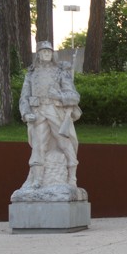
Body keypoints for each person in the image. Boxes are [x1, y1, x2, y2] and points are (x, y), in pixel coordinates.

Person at [19, 41, 82, 188]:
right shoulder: (31, 74)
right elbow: (24, 97)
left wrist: (59, 96)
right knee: (38, 145)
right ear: (38, 55)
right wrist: (26, 113)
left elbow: (74, 96)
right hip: (38, 113)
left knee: (65, 143)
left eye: (49, 51)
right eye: (43, 51)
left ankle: (72, 178)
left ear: (53, 54)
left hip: (55, 112)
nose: (47, 53)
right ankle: (37, 180)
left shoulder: (60, 72)